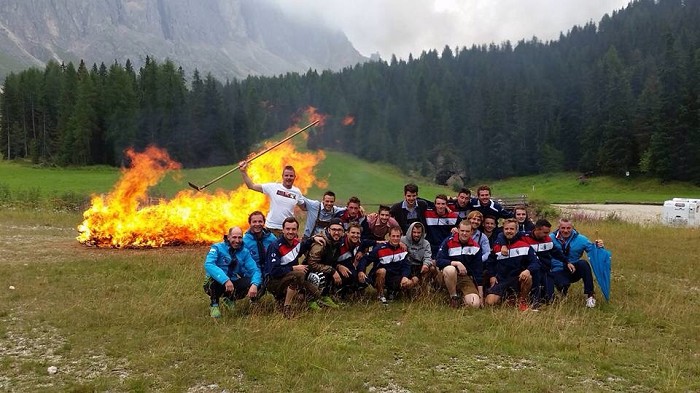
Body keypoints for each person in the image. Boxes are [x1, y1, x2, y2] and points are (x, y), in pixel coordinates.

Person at [265, 217, 321, 317]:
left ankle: (284, 300)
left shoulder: (296, 244)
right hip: (275, 281)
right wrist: (293, 268)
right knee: (298, 275)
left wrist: (313, 238)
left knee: (315, 293)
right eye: (288, 229)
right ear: (283, 230)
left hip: (290, 278)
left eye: (293, 229)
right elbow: (273, 271)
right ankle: (286, 307)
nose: (290, 232)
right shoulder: (275, 246)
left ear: (297, 230)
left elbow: (305, 245)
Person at [203, 227, 263, 319]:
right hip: (216, 282)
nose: (237, 241)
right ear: (228, 237)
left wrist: (254, 284)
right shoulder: (217, 247)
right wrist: (225, 280)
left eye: (240, 238)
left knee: (255, 282)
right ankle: (214, 305)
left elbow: (255, 270)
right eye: (234, 237)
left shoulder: (244, 252)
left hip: (233, 282)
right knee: (212, 280)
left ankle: (230, 299)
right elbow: (209, 264)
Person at [485, 219, 540, 311]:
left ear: (516, 231)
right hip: (501, 280)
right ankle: (509, 299)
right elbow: (490, 263)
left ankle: (522, 301)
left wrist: (528, 270)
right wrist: (492, 276)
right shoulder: (497, 247)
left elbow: (536, 263)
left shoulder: (525, 246)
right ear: (503, 230)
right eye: (506, 229)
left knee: (528, 277)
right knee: (490, 302)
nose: (509, 231)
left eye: (511, 229)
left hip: (517, 279)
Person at [549, 218, 605, 308]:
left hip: (574, 270)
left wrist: (599, 246)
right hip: (557, 270)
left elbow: (593, 251)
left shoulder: (581, 239)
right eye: (563, 228)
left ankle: (590, 295)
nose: (566, 231)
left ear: (573, 228)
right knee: (562, 285)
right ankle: (563, 293)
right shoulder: (550, 238)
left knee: (584, 264)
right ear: (558, 227)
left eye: (568, 228)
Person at [239, 161, 304, 237]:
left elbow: (304, 207)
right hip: (271, 229)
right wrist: (243, 172)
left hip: (288, 230)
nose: (288, 178)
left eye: (291, 176)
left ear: (294, 177)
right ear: (282, 176)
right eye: (286, 175)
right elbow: (251, 186)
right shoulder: (273, 187)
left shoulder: (297, 192)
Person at [358, 226, 418, 305]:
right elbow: (365, 259)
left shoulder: (403, 249)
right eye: (393, 236)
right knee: (382, 271)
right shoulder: (380, 248)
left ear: (401, 237)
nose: (395, 238)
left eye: (397, 236)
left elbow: (406, 266)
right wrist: (361, 271)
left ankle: (394, 292)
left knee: (414, 279)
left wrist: (405, 276)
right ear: (389, 236)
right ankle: (380, 295)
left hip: (395, 277)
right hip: (380, 276)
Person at [435, 221, 483, 308]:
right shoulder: (448, 242)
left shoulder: (476, 247)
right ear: (458, 230)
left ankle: (461, 298)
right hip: (447, 275)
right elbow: (438, 261)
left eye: (467, 231)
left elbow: (478, 271)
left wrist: (481, 295)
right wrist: (456, 263)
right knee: (450, 269)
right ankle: (453, 297)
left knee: (474, 304)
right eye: (462, 231)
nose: (464, 233)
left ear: (471, 232)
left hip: (464, 277)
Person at [521, 218, 568, 306]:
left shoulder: (548, 239)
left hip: (546, 270)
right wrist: (503, 245)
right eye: (545, 232)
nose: (547, 235)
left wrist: (567, 262)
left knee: (549, 299)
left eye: (548, 233)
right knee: (536, 283)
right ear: (537, 229)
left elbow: (556, 252)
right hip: (532, 270)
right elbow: (504, 236)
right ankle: (533, 302)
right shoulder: (523, 237)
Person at [305, 218, 345, 308]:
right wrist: (332, 270)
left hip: (323, 268)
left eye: (339, 230)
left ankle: (324, 295)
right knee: (319, 275)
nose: (336, 232)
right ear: (328, 230)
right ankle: (310, 299)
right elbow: (312, 264)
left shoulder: (338, 242)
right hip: (310, 272)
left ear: (343, 231)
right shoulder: (321, 243)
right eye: (334, 229)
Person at [335, 222, 375, 298]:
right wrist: (338, 266)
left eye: (358, 233)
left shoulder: (359, 243)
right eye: (353, 233)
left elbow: (368, 243)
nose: (355, 235)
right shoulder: (339, 245)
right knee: (349, 276)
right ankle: (337, 292)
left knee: (365, 281)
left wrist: (360, 271)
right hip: (336, 269)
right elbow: (328, 261)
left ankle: (350, 291)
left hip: (350, 268)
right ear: (347, 233)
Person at [401, 222, 436, 288]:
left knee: (432, 268)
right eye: (414, 232)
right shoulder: (402, 240)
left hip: (420, 266)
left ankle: (424, 287)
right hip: (407, 266)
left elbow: (428, 257)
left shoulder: (426, 243)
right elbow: (392, 243)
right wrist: (399, 243)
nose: (416, 235)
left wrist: (426, 264)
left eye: (418, 233)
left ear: (422, 233)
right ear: (410, 232)